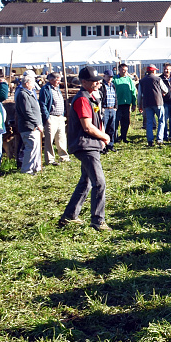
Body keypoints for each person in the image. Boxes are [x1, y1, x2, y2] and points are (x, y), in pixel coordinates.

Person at [59, 66, 111, 232]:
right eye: (94, 81)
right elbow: (87, 127)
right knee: (99, 183)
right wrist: (104, 136)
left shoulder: (89, 97)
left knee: (86, 181)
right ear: (83, 82)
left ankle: (69, 216)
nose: (97, 83)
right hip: (85, 145)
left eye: (98, 80)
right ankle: (98, 221)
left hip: (88, 144)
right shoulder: (82, 99)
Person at [39, 72, 70, 164]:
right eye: (57, 80)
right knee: (49, 140)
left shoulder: (57, 89)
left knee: (61, 138)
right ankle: (50, 159)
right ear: (51, 80)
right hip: (52, 117)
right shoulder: (46, 89)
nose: (59, 82)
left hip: (60, 117)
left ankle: (64, 157)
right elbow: (43, 104)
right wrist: (47, 117)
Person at [16, 72, 43, 175]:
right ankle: (27, 169)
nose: (33, 85)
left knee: (35, 148)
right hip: (29, 126)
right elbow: (27, 111)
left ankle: (35, 167)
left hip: (33, 126)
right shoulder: (23, 94)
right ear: (27, 83)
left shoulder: (28, 93)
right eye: (32, 83)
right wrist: (37, 123)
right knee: (30, 148)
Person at [138, 64, 169, 146]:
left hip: (147, 104)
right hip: (158, 102)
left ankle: (150, 140)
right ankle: (159, 139)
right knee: (161, 121)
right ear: (153, 71)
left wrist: (139, 105)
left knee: (149, 122)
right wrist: (163, 93)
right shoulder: (158, 79)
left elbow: (139, 95)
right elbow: (165, 89)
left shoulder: (142, 81)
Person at [112, 63, 137, 143]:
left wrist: (134, 103)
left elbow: (133, 91)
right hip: (117, 104)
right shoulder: (114, 79)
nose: (124, 72)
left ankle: (123, 137)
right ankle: (115, 138)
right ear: (119, 70)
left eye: (126, 70)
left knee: (125, 121)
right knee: (116, 122)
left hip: (126, 104)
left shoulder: (129, 79)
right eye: (123, 70)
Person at [100, 69, 118, 152]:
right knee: (104, 128)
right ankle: (103, 146)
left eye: (111, 77)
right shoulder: (102, 86)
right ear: (104, 76)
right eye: (108, 76)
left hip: (112, 109)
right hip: (105, 109)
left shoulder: (112, 85)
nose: (110, 78)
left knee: (112, 128)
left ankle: (110, 145)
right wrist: (102, 108)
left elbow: (115, 97)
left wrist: (115, 107)